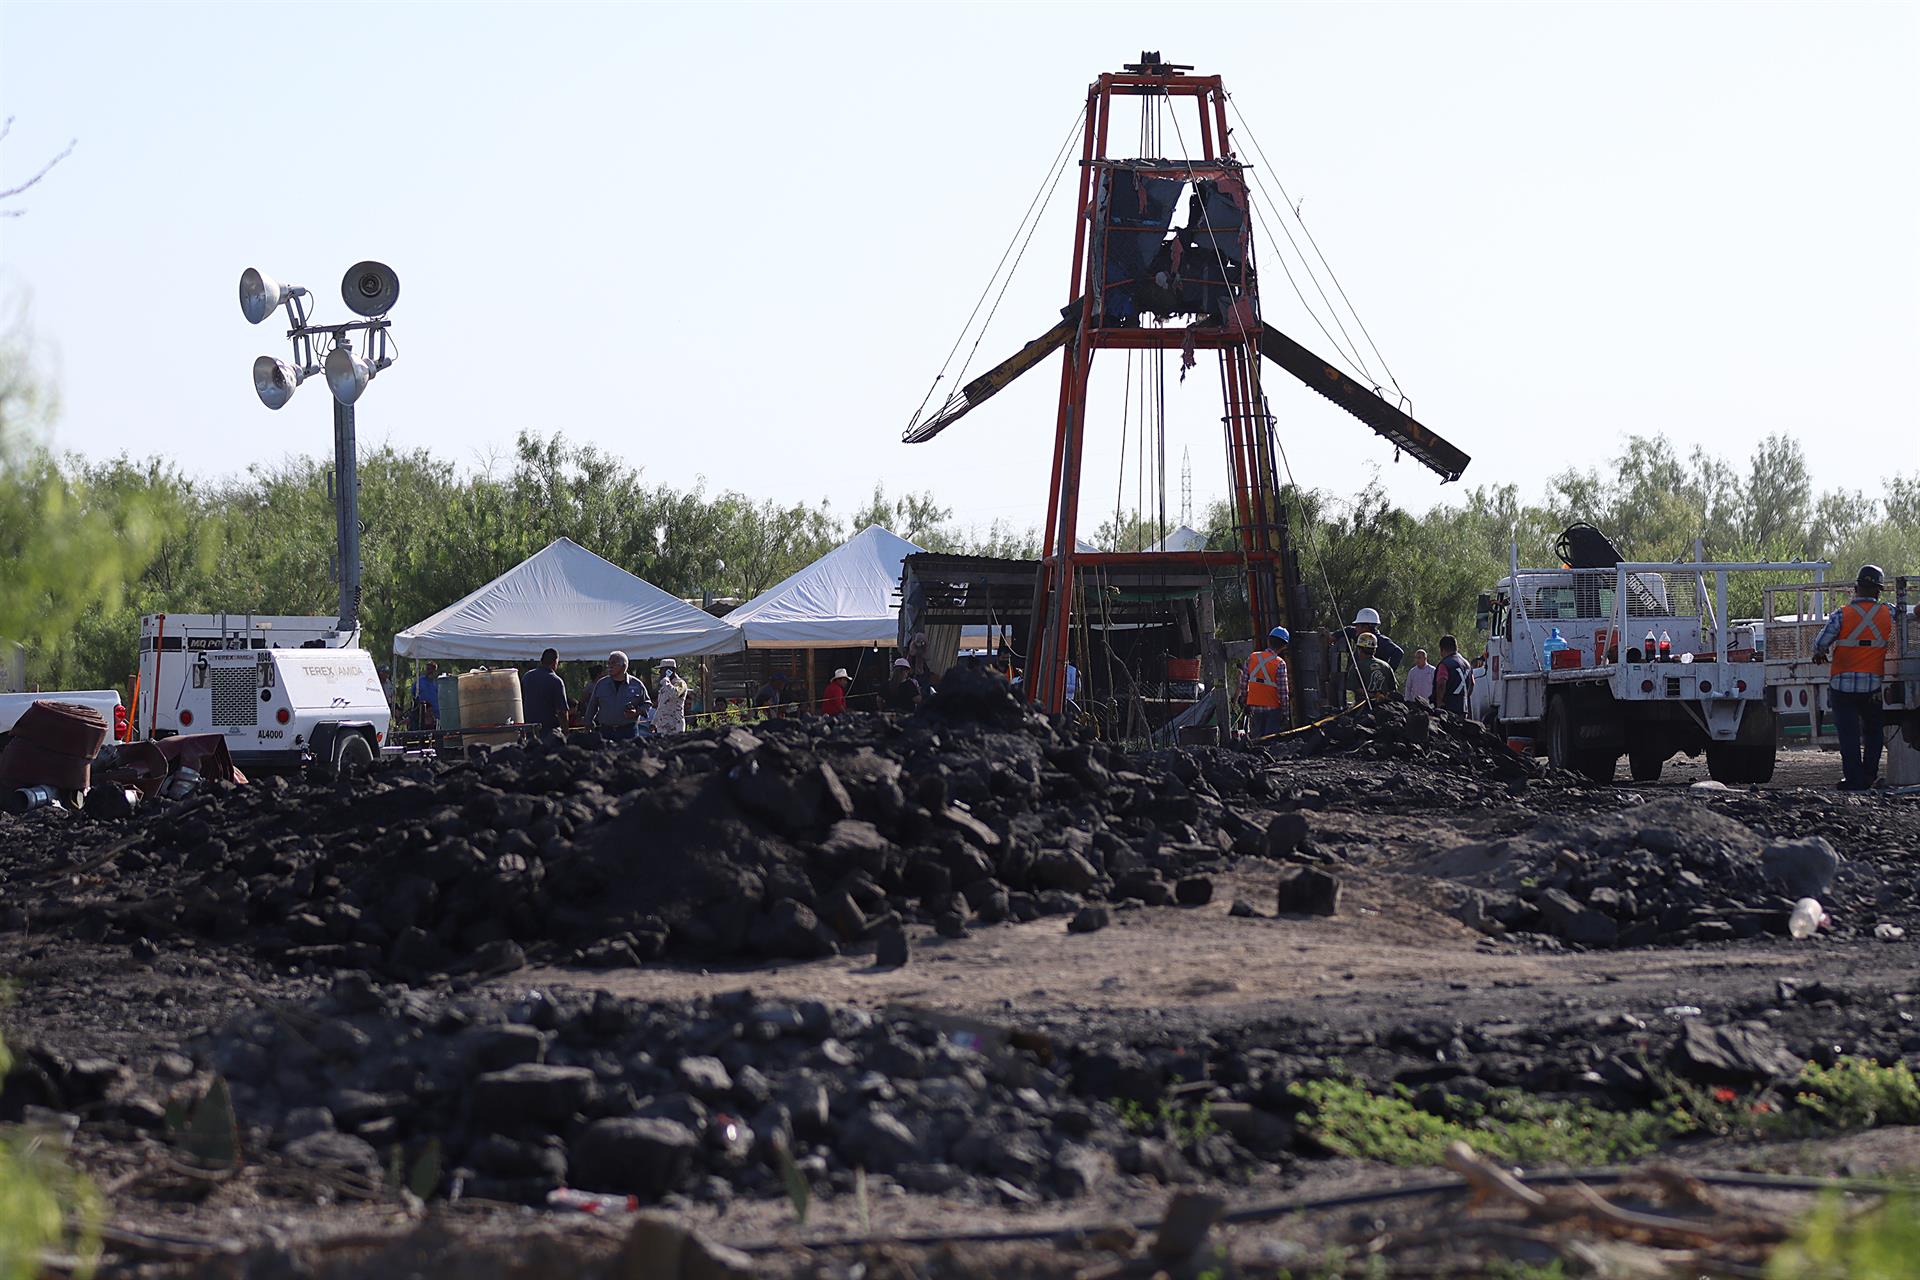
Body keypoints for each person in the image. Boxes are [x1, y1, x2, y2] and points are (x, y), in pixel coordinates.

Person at [1813, 565, 1895, 790]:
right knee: (1873, 733)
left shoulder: (1842, 614)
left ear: (1856, 588)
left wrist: (1819, 653)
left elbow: (1820, 643)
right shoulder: (1887, 612)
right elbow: (1905, 617)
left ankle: (1853, 780)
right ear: (1878, 591)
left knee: (1848, 735)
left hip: (1842, 685)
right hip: (1872, 684)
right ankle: (1869, 776)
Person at [582, 650, 652, 741]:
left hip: (628, 731)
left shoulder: (637, 684)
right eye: (609, 663)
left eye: (613, 663)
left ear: (623, 666)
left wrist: (636, 712)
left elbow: (647, 704)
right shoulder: (601, 684)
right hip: (605, 732)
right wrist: (588, 724)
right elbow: (592, 706)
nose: (609, 666)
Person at [1241, 626, 1292, 739]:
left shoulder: (1252, 657)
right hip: (1273, 710)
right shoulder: (1280, 663)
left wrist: (1245, 702)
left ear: (1269, 641)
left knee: (1255, 740)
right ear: (1284, 646)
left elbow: (1243, 684)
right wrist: (1285, 713)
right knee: (1269, 741)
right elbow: (1283, 692)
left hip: (1254, 707)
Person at [521, 648, 568, 733]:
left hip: (529, 729)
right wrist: (565, 732)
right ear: (555, 662)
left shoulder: (527, 677)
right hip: (549, 731)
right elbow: (562, 711)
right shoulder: (556, 681)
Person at [1347, 631, 1398, 703]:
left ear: (1359, 649)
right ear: (1374, 650)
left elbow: (1355, 688)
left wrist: (1372, 696)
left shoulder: (1356, 666)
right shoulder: (1386, 666)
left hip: (1365, 706)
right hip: (1386, 706)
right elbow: (1392, 688)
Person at [1435, 634, 1474, 715]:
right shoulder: (1467, 664)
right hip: (1464, 709)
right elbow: (1472, 683)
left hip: (1448, 709)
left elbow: (1441, 684)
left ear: (1442, 649)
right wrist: (1465, 698)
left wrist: (1439, 703)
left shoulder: (1445, 664)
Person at [653, 657, 690, 735]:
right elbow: (660, 706)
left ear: (669, 670)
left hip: (675, 725)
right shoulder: (665, 686)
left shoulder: (680, 683)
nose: (659, 672)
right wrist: (654, 723)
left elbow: (675, 694)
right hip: (662, 726)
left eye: (662, 670)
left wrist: (666, 680)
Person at [410, 661, 441, 730]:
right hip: (423, 713)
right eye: (427, 669)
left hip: (435, 713)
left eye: (430, 669)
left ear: (434, 670)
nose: (428, 671)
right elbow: (413, 693)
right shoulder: (420, 681)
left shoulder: (437, 682)